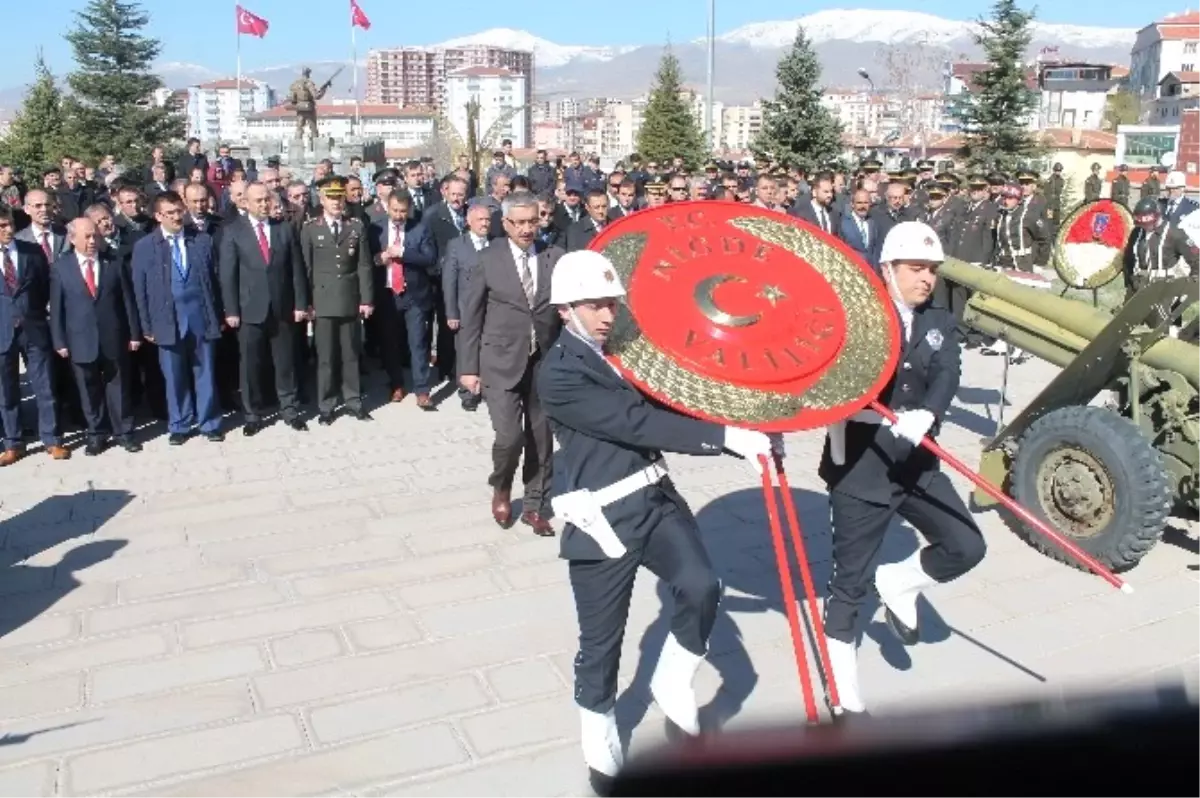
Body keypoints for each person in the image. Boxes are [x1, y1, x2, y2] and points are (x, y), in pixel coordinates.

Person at [537, 250, 777, 795]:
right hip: (602, 516)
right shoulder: (560, 374)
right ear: (564, 309)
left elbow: (675, 395)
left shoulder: (624, 352)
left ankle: (673, 677)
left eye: (611, 303)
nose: (606, 314)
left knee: (702, 585)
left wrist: (740, 419)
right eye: (594, 305)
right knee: (602, 643)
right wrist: (722, 440)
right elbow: (634, 421)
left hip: (654, 500)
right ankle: (598, 732)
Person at [819, 222, 987, 717]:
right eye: (916, 269)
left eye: (932, 270)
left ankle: (899, 581)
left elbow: (947, 371)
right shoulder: (858, 319)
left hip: (918, 458)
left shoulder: (939, 319)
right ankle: (843, 687)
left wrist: (929, 413)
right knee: (848, 583)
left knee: (966, 545)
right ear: (887, 269)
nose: (926, 279)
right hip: (862, 463)